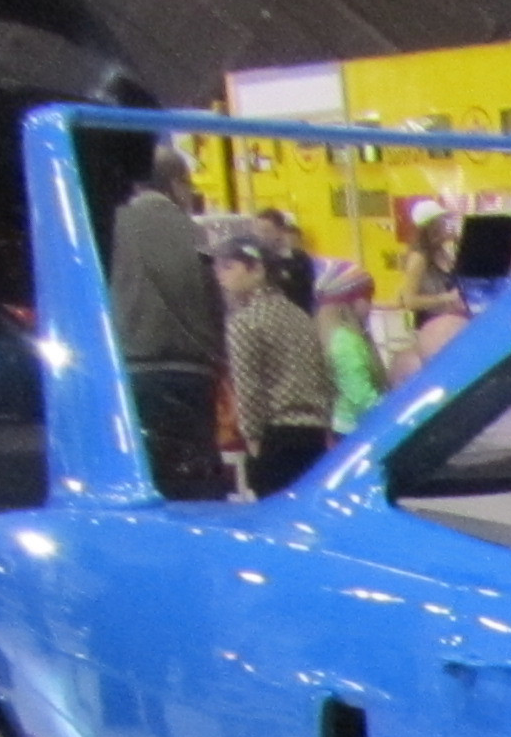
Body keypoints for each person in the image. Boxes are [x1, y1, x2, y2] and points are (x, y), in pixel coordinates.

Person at [107, 145, 225, 501]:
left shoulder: (112, 226)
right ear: (176, 183)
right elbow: (214, 304)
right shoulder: (193, 233)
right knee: (194, 481)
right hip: (191, 372)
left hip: (132, 371)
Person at [215, 235, 336, 493]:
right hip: (313, 435)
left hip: (275, 437)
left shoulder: (244, 322)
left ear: (257, 269)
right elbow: (323, 375)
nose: (220, 276)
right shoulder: (300, 316)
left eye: (228, 266)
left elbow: (248, 385)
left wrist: (252, 438)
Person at [311, 258, 386, 432]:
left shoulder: (336, 337)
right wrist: (391, 411)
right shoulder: (344, 341)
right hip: (352, 429)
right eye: (367, 298)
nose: (370, 306)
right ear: (349, 300)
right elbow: (361, 396)